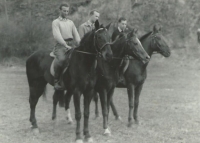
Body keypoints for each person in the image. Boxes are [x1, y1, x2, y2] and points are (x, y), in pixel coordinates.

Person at [52, 2, 81, 90]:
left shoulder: (70, 22)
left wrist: (79, 43)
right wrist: (65, 45)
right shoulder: (56, 22)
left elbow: (76, 34)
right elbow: (57, 36)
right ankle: (57, 81)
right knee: (61, 60)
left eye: (67, 11)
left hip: (71, 44)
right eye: (64, 11)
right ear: (60, 10)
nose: (66, 13)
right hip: (60, 45)